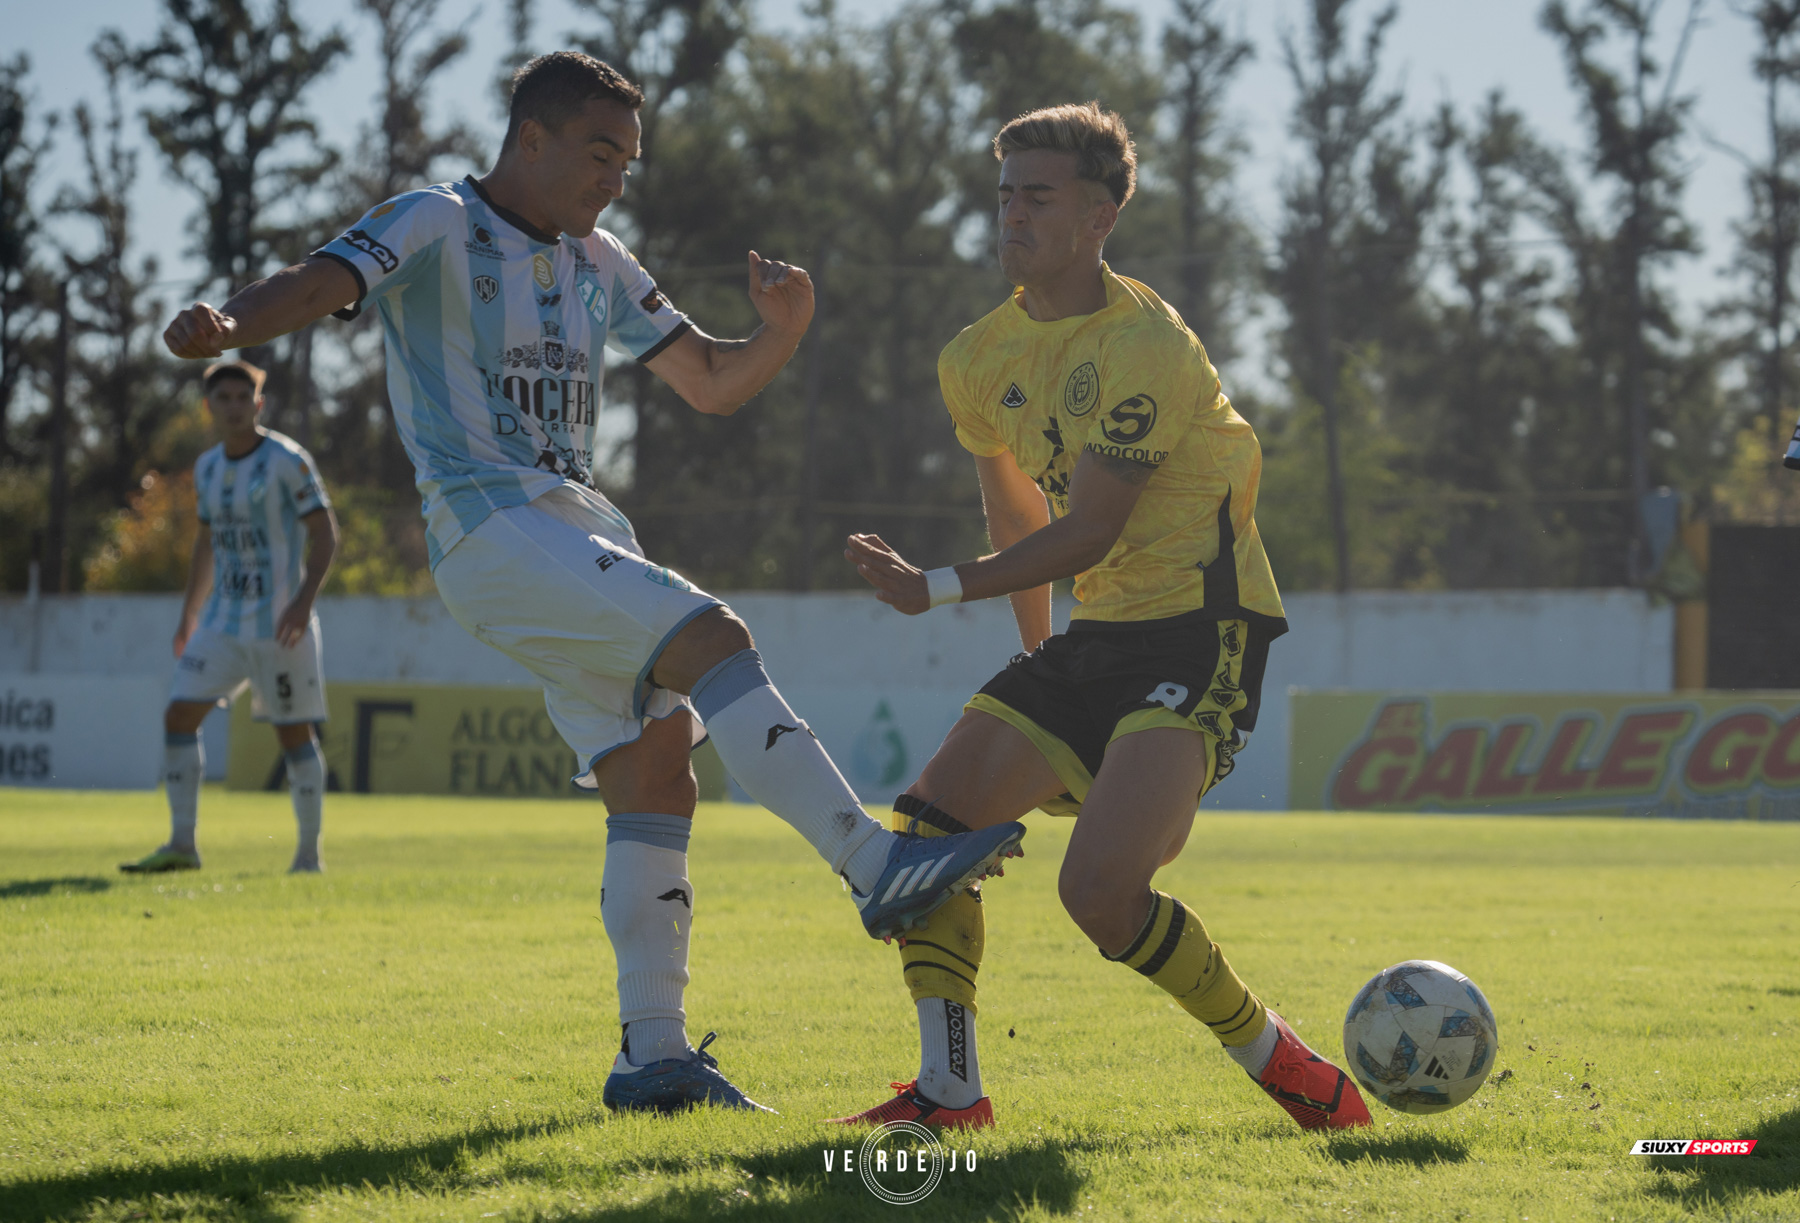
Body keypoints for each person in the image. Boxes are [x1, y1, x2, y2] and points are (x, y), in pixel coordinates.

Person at [160, 51, 1024, 1115]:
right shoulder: (435, 220)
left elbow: (710, 379)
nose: (616, 177)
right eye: (600, 152)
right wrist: (232, 324)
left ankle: (651, 1056)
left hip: (566, 530)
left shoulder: (600, 258)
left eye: (629, 159)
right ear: (530, 137)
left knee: (658, 772)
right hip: (490, 523)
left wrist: (785, 331)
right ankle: (868, 863)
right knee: (713, 634)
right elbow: (315, 282)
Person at [834, 102, 1371, 1131]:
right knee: (932, 829)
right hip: (1098, 639)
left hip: (1203, 631)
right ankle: (949, 1093)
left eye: (1037, 196)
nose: (1011, 216)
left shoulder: (1147, 344)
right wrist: (1041, 664)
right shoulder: (976, 356)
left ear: (1099, 214)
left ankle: (1283, 1061)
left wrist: (933, 586)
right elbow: (1015, 512)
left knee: (1103, 896)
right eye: (1004, 196)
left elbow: (1087, 530)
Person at [122, 359, 339, 876]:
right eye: (225, 398)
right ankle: (181, 844)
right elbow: (206, 544)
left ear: (258, 404)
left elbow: (326, 532)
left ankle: (309, 856)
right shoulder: (208, 467)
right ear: (209, 406)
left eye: (245, 397)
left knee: (293, 736)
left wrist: (304, 601)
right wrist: (188, 615)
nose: (236, 406)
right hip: (221, 622)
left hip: (280, 626)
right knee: (178, 715)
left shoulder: (288, 459)